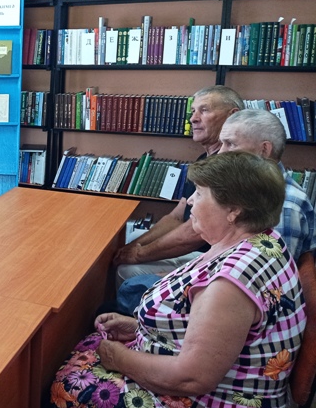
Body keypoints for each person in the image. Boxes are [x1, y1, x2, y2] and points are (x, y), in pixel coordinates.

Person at [42, 151, 305, 408]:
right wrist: (138, 328)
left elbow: (191, 378)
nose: (190, 200)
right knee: (90, 344)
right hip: (222, 395)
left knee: (64, 392)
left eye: (200, 194)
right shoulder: (262, 241)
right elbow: (209, 331)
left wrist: (119, 359)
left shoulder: (230, 284)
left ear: (234, 210)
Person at [117, 109, 315, 313]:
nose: (220, 153)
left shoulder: (285, 206)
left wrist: (177, 281)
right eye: (221, 144)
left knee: (131, 285)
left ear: (264, 150)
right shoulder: (247, 186)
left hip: (230, 295)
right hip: (218, 271)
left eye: (230, 144)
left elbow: (266, 285)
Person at [113, 85, 243, 284]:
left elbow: (195, 233)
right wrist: (133, 246)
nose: (193, 119)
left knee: (127, 269)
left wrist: (139, 254)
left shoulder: (229, 166)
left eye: (204, 110)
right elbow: (176, 216)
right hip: (194, 250)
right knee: (129, 242)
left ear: (232, 116)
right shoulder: (203, 160)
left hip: (213, 258)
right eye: (193, 111)